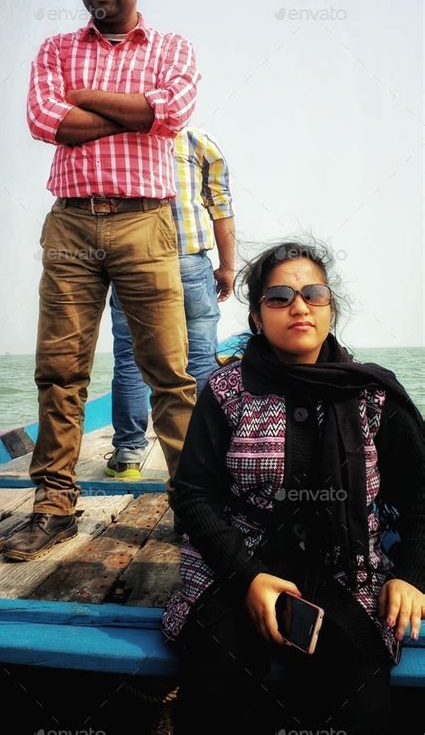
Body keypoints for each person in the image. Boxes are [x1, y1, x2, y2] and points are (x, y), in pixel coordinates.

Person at [162, 241, 425, 734]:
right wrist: (249, 577)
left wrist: (411, 573)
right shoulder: (226, 391)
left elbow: (419, 498)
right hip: (237, 562)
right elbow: (194, 495)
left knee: (360, 706)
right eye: (279, 297)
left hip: (349, 570)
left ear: (330, 308)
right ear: (257, 317)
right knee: (217, 695)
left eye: (313, 294)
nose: (298, 306)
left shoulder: (373, 392)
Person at [3, 0, 200, 561]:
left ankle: (201, 515)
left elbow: (172, 110)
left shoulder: (172, 49)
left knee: (170, 374)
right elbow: (44, 119)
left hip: (146, 220)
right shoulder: (55, 49)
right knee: (59, 373)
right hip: (71, 220)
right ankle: (53, 510)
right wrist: (136, 114)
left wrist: (89, 100)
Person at [105, 128, 235, 479]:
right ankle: (208, 451)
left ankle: (129, 453)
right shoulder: (198, 143)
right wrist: (227, 267)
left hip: (135, 263)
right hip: (189, 261)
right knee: (200, 360)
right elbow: (221, 210)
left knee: (131, 359)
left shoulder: (117, 143)